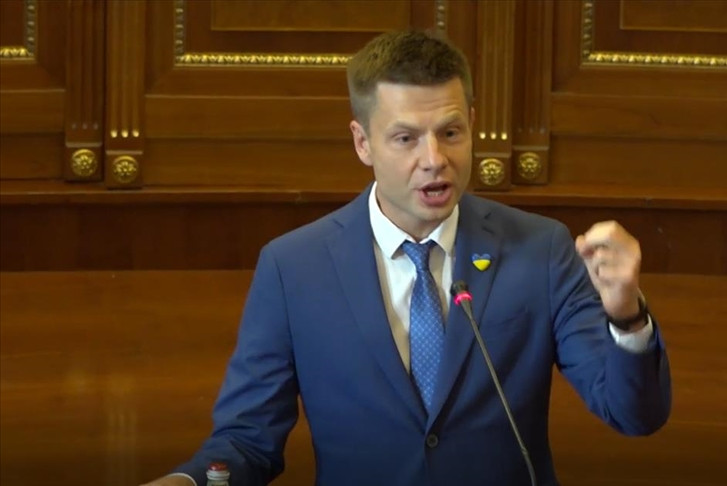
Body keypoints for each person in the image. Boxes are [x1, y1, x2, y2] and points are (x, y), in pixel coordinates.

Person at [143, 30, 670, 486]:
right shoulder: (294, 268)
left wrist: (627, 317)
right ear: (362, 142)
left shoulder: (541, 249)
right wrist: (188, 480)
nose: (434, 160)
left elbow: (633, 414)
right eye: (405, 138)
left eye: (450, 133)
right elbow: (248, 440)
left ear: (472, 125)